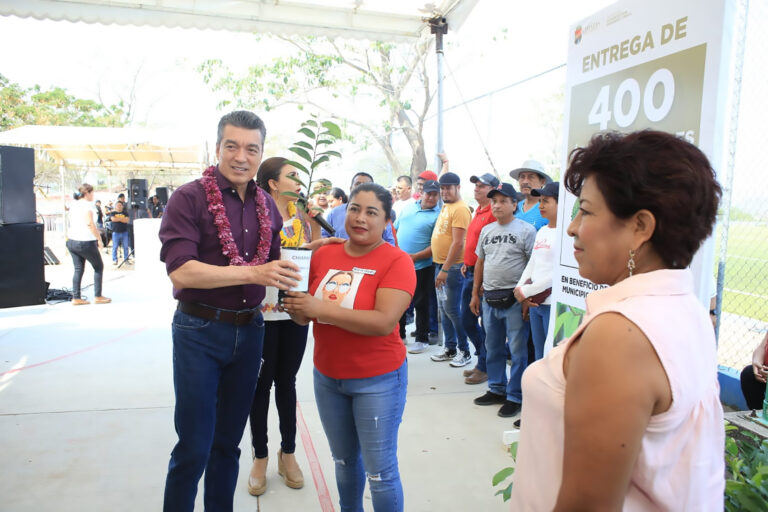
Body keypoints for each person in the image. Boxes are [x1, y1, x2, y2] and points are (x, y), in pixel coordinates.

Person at [510, 130, 724, 510]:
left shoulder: (620, 334)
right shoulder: (683, 306)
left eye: (587, 211)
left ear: (641, 226)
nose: (573, 227)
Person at [158, 111, 302, 511]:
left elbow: (274, 263)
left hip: (251, 330)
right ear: (218, 147)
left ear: (260, 154)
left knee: (228, 445)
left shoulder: (265, 206)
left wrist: (307, 263)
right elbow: (181, 271)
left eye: (251, 148)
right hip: (199, 331)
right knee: (194, 446)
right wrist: (253, 271)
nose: (241, 156)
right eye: (232, 146)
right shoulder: (189, 198)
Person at [282, 183, 415, 512]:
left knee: (380, 472)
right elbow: (304, 317)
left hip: (378, 381)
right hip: (328, 378)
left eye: (372, 212)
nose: (360, 218)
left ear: (386, 221)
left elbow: (384, 321)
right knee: (343, 461)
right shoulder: (325, 254)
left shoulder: (396, 261)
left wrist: (317, 308)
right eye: (355, 208)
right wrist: (297, 306)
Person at [247, 156, 321, 496]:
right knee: (259, 386)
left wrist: (317, 243)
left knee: (286, 382)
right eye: (292, 176)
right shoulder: (255, 218)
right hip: (260, 312)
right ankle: (260, 455)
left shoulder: (301, 218)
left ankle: (287, 452)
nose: (299, 181)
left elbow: (304, 258)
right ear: (272, 183)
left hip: (293, 311)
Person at [469, 183, 534, 417]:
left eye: (503, 201)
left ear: (514, 205)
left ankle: (515, 395)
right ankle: (496, 388)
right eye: (494, 201)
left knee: (517, 350)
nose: (497, 205)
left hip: (515, 299)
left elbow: (531, 265)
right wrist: (475, 293)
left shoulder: (526, 231)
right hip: (489, 299)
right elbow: (480, 263)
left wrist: (526, 296)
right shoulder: (487, 231)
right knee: (492, 346)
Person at [430, 172, 473, 367]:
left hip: (452, 268)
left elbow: (458, 243)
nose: (445, 191)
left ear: (458, 187)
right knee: (443, 309)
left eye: (449, 187)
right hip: (440, 264)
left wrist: (445, 269)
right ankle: (450, 348)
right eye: (443, 187)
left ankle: (464, 351)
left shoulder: (461, 209)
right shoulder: (447, 206)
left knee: (453, 310)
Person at [460, 172, 499, 385]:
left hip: (483, 275)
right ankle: (482, 358)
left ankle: (485, 366)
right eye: (476, 185)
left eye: (482, 186)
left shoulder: (493, 212)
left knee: (484, 324)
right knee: (466, 319)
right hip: (470, 271)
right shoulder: (478, 211)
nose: (477, 188)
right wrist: (467, 263)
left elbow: (490, 250)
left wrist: (482, 278)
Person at [394, 179, 441, 352]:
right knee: (397, 300)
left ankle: (422, 338)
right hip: (399, 264)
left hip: (422, 265)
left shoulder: (438, 215)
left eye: (435, 194)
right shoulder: (408, 207)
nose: (431, 197)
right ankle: (400, 335)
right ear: (422, 193)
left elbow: (436, 245)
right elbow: (395, 228)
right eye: (429, 193)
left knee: (421, 302)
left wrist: (415, 257)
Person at [514, 181, 559, 361]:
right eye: (540, 200)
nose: (541, 206)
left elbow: (558, 272)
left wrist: (527, 291)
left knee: (550, 356)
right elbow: (533, 262)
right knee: (539, 354)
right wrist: (520, 289)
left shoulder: (566, 235)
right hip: (535, 304)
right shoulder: (542, 231)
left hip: (551, 304)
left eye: (546, 201)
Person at [66, 184, 111, 305]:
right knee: (98, 267)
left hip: (72, 240)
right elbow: (90, 224)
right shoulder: (86, 206)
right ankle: (98, 295)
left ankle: (76, 297)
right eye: (92, 193)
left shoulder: (73, 205)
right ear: (87, 193)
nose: (93, 195)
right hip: (85, 241)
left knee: (78, 269)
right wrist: (99, 239)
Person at [322, 172, 396, 245]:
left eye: (366, 185)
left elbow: (389, 242)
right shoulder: (335, 213)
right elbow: (323, 236)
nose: (362, 188)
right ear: (351, 188)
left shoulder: (380, 213)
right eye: (358, 184)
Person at [508, 160, 552, 231]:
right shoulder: (514, 207)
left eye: (531, 177)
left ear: (542, 182)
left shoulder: (549, 209)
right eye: (522, 177)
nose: (525, 182)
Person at [740, 332, 768, 410]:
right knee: (749, 374)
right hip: (765, 373)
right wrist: (757, 362)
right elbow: (762, 347)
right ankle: (759, 413)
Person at [109, 200, 131, 266]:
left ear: (122, 206)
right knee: (115, 247)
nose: (119, 206)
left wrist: (118, 219)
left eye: (120, 205)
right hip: (116, 232)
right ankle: (115, 259)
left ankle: (126, 259)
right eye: (118, 205)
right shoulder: (113, 213)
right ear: (115, 207)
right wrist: (122, 219)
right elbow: (113, 219)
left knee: (126, 247)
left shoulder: (125, 213)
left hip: (124, 232)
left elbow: (127, 220)